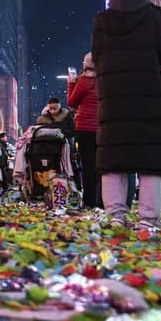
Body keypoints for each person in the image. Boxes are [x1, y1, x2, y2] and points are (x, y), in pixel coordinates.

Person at [92, 0, 161, 231]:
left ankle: (117, 217)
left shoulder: (102, 20)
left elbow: (96, 56)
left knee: (113, 157)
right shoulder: (154, 16)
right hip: (148, 97)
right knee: (150, 158)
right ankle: (148, 220)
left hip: (113, 98)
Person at [68, 52, 101, 208]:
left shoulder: (82, 81)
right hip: (102, 128)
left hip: (84, 129)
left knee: (88, 166)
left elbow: (72, 102)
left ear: (86, 64)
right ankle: (103, 200)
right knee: (102, 166)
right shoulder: (104, 80)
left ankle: (89, 202)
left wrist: (71, 83)